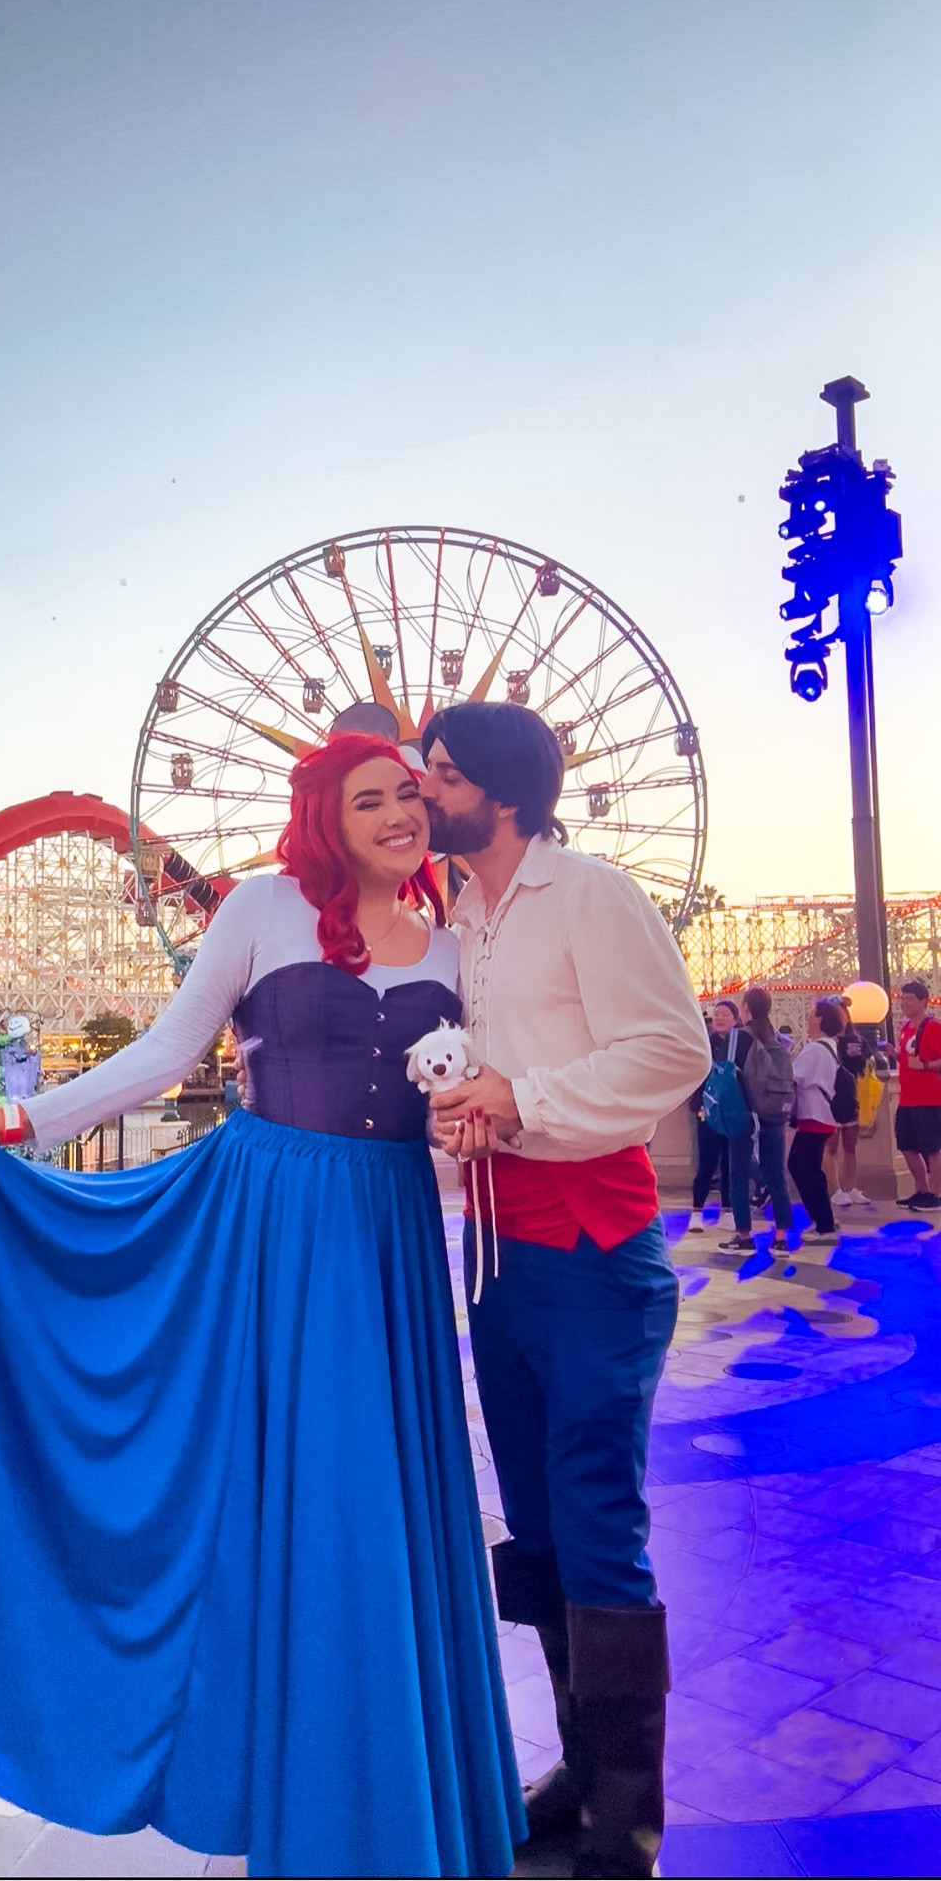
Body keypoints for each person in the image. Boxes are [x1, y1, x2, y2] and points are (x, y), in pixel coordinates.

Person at [0, 733, 524, 1880]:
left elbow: (454, 1103)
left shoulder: (458, 939)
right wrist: (20, 1124)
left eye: (410, 797)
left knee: (376, 1497)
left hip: (389, 1238)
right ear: (325, 814)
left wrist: (467, 1121)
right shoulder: (262, 907)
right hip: (270, 1222)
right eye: (370, 799)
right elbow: (171, 1053)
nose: (399, 816)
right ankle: (297, 1776)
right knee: (291, 1490)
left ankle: (380, 1790)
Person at [418, 702, 710, 1881]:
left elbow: (670, 1049)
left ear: (495, 789)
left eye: (438, 774)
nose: (421, 790)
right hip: (499, 1253)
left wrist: (518, 1095)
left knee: (593, 1513)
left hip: (593, 1253)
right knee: (537, 1520)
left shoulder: (590, 894)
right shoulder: (467, 917)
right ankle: (581, 1772)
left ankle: (627, 1818)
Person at [736, 987, 794, 1254]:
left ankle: (743, 1235)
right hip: (775, 1114)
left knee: (738, 1175)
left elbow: (727, 1075)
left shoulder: (741, 1038)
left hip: (746, 1117)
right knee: (777, 1175)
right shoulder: (779, 1040)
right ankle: (781, 1236)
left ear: (746, 1008)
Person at [788, 998, 843, 1243]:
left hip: (813, 1117)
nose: (808, 1018)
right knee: (809, 1168)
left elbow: (794, 1076)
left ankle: (824, 1224)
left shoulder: (815, 1049)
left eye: (812, 1014)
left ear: (820, 1018)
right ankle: (824, 1219)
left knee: (800, 1166)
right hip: (823, 1117)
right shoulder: (830, 1046)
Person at [685, 1000, 738, 1235]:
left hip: (732, 1113)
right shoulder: (704, 1044)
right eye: (717, 1014)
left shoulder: (740, 1044)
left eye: (725, 1014)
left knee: (730, 1164)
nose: (720, 1017)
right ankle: (697, 1212)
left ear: (735, 1020)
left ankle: (727, 1211)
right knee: (706, 1164)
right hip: (707, 1112)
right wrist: (697, 1104)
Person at [894, 977, 941, 1212]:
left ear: (923, 1001)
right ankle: (921, 1190)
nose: (905, 1003)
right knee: (906, 1144)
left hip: (928, 1098)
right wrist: (895, 1055)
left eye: (910, 999)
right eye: (903, 999)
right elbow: (908, 1059)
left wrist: (924, 1065)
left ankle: (936, 1194)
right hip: (907, 1098)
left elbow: (928, 1061)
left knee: (932, 1147)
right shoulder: (905, 1028)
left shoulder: (933, 1027)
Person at [827, 996, 872, 1211]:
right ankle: (835, 1189)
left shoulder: (858, 1040)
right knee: (831, 1145)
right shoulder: (827, 1042)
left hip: (852, 1096)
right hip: (831, 1096)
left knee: (851, 1146)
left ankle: (850, 1187)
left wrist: (864, 1058)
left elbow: (871, 1062)